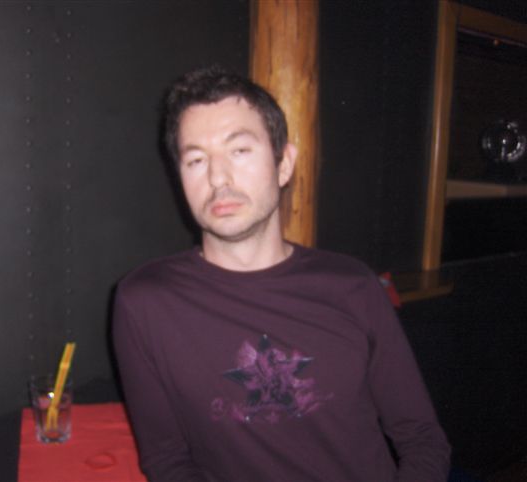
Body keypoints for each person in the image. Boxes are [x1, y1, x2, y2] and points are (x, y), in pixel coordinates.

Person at [112, 66, 451, 482]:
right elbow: (166, 460)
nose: (218, 177)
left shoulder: (352, 285)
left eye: (240, 150)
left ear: (284, 163)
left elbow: (422, 439)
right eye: (196, 160)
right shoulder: (145, 301)